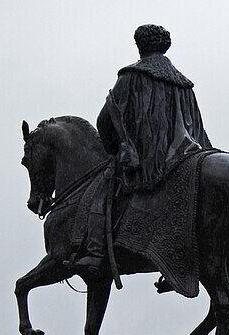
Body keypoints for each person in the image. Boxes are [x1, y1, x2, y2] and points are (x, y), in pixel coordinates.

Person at [70, 24, 213, 277]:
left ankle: (95, 252)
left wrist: (116, 149)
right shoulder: (184, 84)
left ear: (139, 46)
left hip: (150, 159)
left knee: (103, 185)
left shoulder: (130, 76)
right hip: (188, 155)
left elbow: (105, 119)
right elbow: (198, 127)